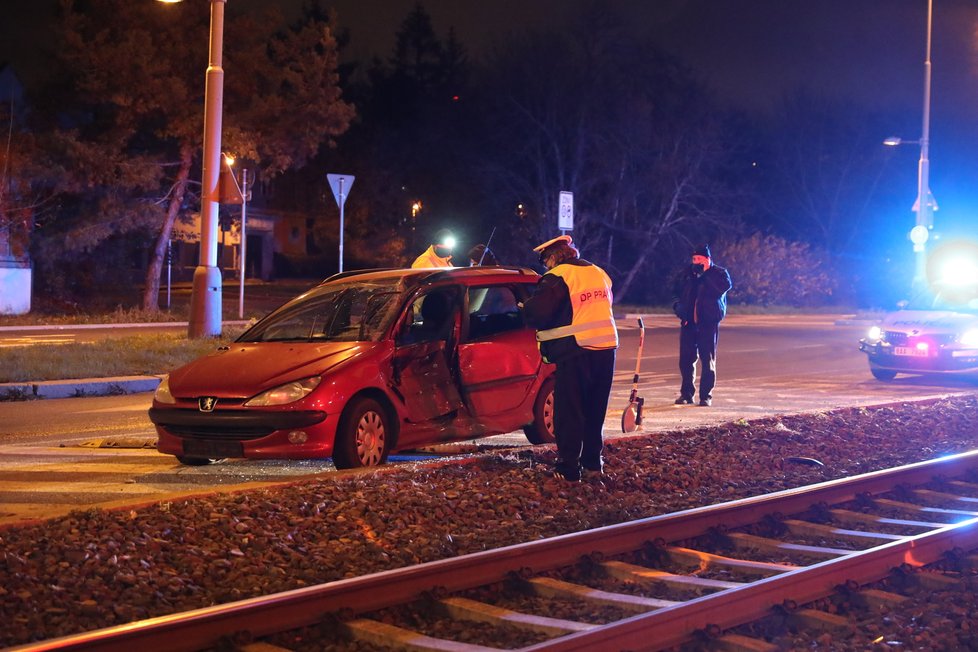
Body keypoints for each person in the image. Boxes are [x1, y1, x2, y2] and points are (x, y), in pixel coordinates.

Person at [521, 235, 618, 482]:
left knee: (570, 411)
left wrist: (523, 307)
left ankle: (568, 467)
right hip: (606, 349)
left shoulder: (560, 276)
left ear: (552, 257)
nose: (547, 267)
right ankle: (593, 463)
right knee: (595, 410)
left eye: (546, 262)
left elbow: (538, 313)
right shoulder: (599, 272)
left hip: (576, 352)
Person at [672, 244, 733, 407]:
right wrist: (678, 307)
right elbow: (675, 291)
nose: (696, 262)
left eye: (699, 259)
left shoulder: (719, 273)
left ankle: (706, 396)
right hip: (688, 323)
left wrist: (705, 274)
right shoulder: (688, 273)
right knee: (686, 360)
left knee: (708, 360)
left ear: (708, 259)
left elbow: (721, 289)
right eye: (694, 259)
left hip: (708, 323)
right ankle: (686, 394)